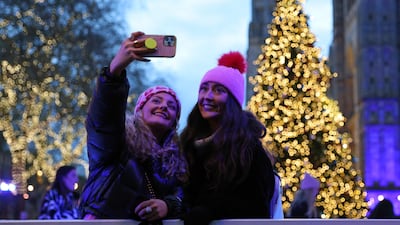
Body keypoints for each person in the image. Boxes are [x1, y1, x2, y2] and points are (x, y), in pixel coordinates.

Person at [78, 31, 188, 224]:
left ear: (174, 122)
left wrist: (168, 205)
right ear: (139, 110)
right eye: (156, 101)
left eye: (172, 106)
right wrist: (114, 73)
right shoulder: (117, 143)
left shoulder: (179, 162)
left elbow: (184, 195)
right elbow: (104, 119)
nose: (164, 106)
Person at [180, 51, 276, 225]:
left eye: (218, 90)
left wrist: (208, 211)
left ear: (232, 101)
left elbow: (256, 204)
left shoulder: (248, 148)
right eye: (204, 89)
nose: (207, 96)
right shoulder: (188, 142)